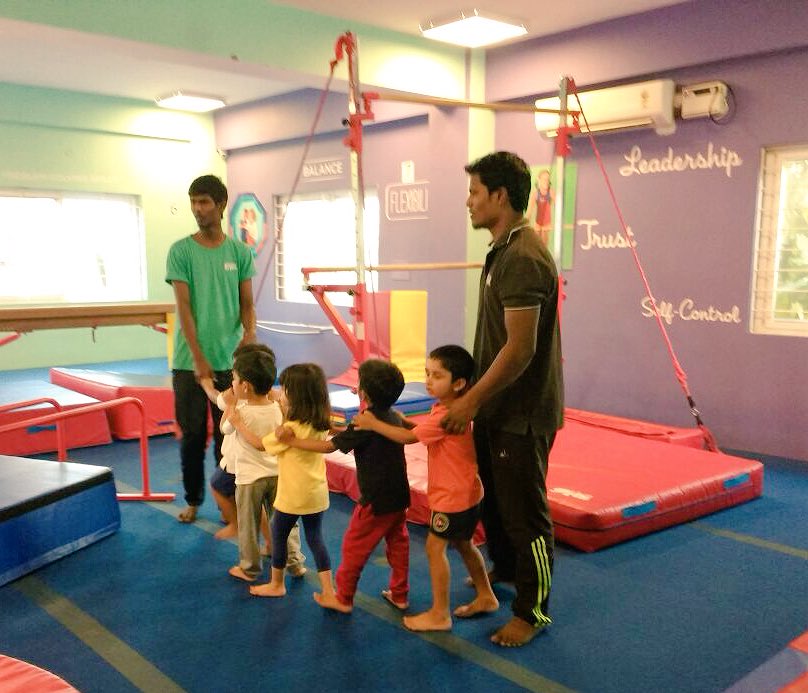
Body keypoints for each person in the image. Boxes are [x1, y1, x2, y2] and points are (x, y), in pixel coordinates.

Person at [441, 152, 564, 648]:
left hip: (522, 413)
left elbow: (520, 349)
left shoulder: (523, 256)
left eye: (474, 192)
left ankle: (532, 612)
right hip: (496, 406)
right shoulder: (501, 249)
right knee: (496, 503)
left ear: (499, 196)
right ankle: (506, 571)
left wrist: (469, 404)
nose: (468, 202)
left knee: (525, 514)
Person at [356, 345, 498, 632]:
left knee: (435, 548)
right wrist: (394, 418)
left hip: (451, 498)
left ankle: (439, 614)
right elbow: (419, 429)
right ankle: (486, 595)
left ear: (458, 383)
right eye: (427, 374)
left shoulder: (446, 416)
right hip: (468, 491)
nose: (429, 380)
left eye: (437, 376)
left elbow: (408, 438)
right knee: (463, 543)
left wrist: (374, 422)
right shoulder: (447, 409)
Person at [278, 358, 411, 614]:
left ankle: (343, 598)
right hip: (399, 496)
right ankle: (400, 593)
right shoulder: (393, 416)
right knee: (398, 543)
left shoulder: (366, 421)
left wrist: (293, 441)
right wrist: (332, 424)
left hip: (375, 499)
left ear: (364, 392)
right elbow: (345, 432)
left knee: (354, 546)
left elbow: (330, 446)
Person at [166, 174, 257, 524]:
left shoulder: (239, 251)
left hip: (229, 362)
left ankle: (226, 503)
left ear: (220, 205)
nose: (197, 209)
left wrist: (249, 335)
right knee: (191, 436)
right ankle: (193, 499)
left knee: (228, 439)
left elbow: (246, 302)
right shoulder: (181, 251)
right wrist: (199, 359)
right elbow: (184, 308)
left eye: (204, 202)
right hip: (190, 364)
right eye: (193, 202)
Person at [199, 346, 306, 581]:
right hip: (277, 474)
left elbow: (223, 428)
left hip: (249, 479)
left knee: (248, 524)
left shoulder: (242, 410)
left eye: (234, 380)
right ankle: (295, 562)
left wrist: (231, 407)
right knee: (284, 521)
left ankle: (249, 568)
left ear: (244, 386)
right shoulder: (276, 408)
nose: (232, 385)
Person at [250, 363, 336, 600]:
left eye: (286, 390)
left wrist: (237, 423)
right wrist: (281, 404)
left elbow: (260, 444)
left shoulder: (289, 430)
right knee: (315, 538)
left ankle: (277, 583)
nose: (282, 393)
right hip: (316, 492)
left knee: (278, 534)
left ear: (296, 395)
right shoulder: (321, 421)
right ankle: (328, 589)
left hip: (292, 495)